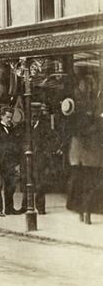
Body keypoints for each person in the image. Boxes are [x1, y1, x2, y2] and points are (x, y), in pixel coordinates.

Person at [65, 68, 103, 224]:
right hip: (87, 155)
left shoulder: (82, 108)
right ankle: (85, 211)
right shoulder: (82, 112)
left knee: (84, 184)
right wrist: (99, 120)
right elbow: (85, 130)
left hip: (83, 155)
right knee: (88, 184)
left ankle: (83, 211)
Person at [21, 102, 60, 215]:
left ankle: (40, 206)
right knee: (26, 183)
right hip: (27, 159)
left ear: (39, 114)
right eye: (32, 113)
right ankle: (26, 206)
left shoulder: (44, 127)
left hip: (40, 159)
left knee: (40, 183)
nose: (34, 115)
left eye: (36, 113)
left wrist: (47, 151)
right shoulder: (25, 126)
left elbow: (54, 139)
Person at [0, 108, 21, 216]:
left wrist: (16, 161)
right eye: (7, 117)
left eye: (11, 117)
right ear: (1, 116)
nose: (9, 119)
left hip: (10, 163)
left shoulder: (12, 130)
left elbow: (16, 146)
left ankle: (9, 209)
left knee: (10, 187)